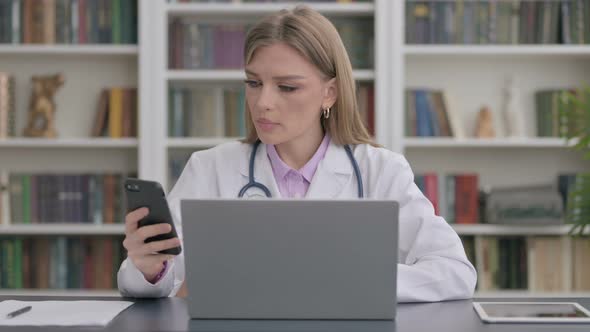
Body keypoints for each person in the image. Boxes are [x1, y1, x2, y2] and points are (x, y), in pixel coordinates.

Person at [117, 5, 476, 302]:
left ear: (330, 93)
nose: (263, 102)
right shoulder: (210, 168)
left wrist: (354, 283)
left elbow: (455, 271)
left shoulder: (381, 171)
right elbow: (154, 283)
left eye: (287, 87)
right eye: (254, 83)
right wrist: (150, 268)